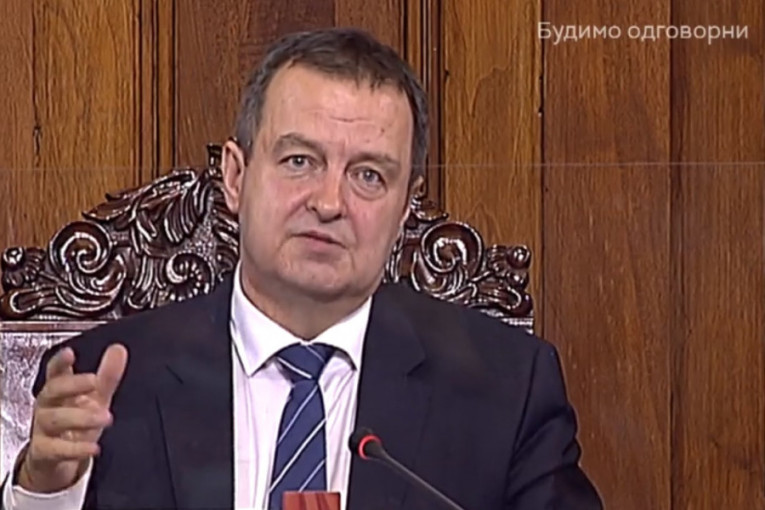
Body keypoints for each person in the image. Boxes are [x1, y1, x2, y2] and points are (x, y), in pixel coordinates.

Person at [0, 27, 602, 510]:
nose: (329, 202)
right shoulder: (109, 384)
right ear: (236, 176)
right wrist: (46, 491)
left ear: (405, 208)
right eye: (299, 161)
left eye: (369, 175)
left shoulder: (505, 389)